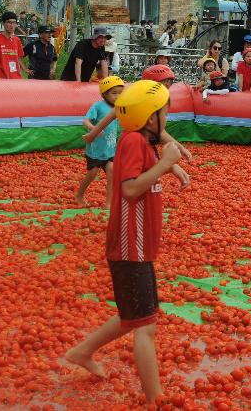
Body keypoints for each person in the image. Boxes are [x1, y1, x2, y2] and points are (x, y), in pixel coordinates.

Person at [64, 80, 189, 405]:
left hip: (138, 245)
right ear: (150, 118)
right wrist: (165, 165)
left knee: (132, 314)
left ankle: (81, 352)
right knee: (145, 325)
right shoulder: (133, 142)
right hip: (129, 246)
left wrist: (170, 166)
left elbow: (146, 168)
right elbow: (131, 189)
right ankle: (154, 398)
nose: (168, 116)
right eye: (165, 111)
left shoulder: (141, 141)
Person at [76, 76, 124, 209]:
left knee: (112, 173)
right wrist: (93, 129)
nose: (117, 96)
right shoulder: (98, 106)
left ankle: (109, 203)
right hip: (95, 149)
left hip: (110, 150)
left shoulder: (120, 107)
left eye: (120, 93)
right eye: (114, 93)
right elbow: (86, 121)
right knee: (92, 173)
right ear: (104, 94)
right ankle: (79, 195)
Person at [0, 12, 27, 79]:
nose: (12, 25)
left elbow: (19, 57)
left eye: (14, 23)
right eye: (9, 22)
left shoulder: (17, 40)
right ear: (3, 23)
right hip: (0, 78)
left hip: (16, 78)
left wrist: (24, 69)